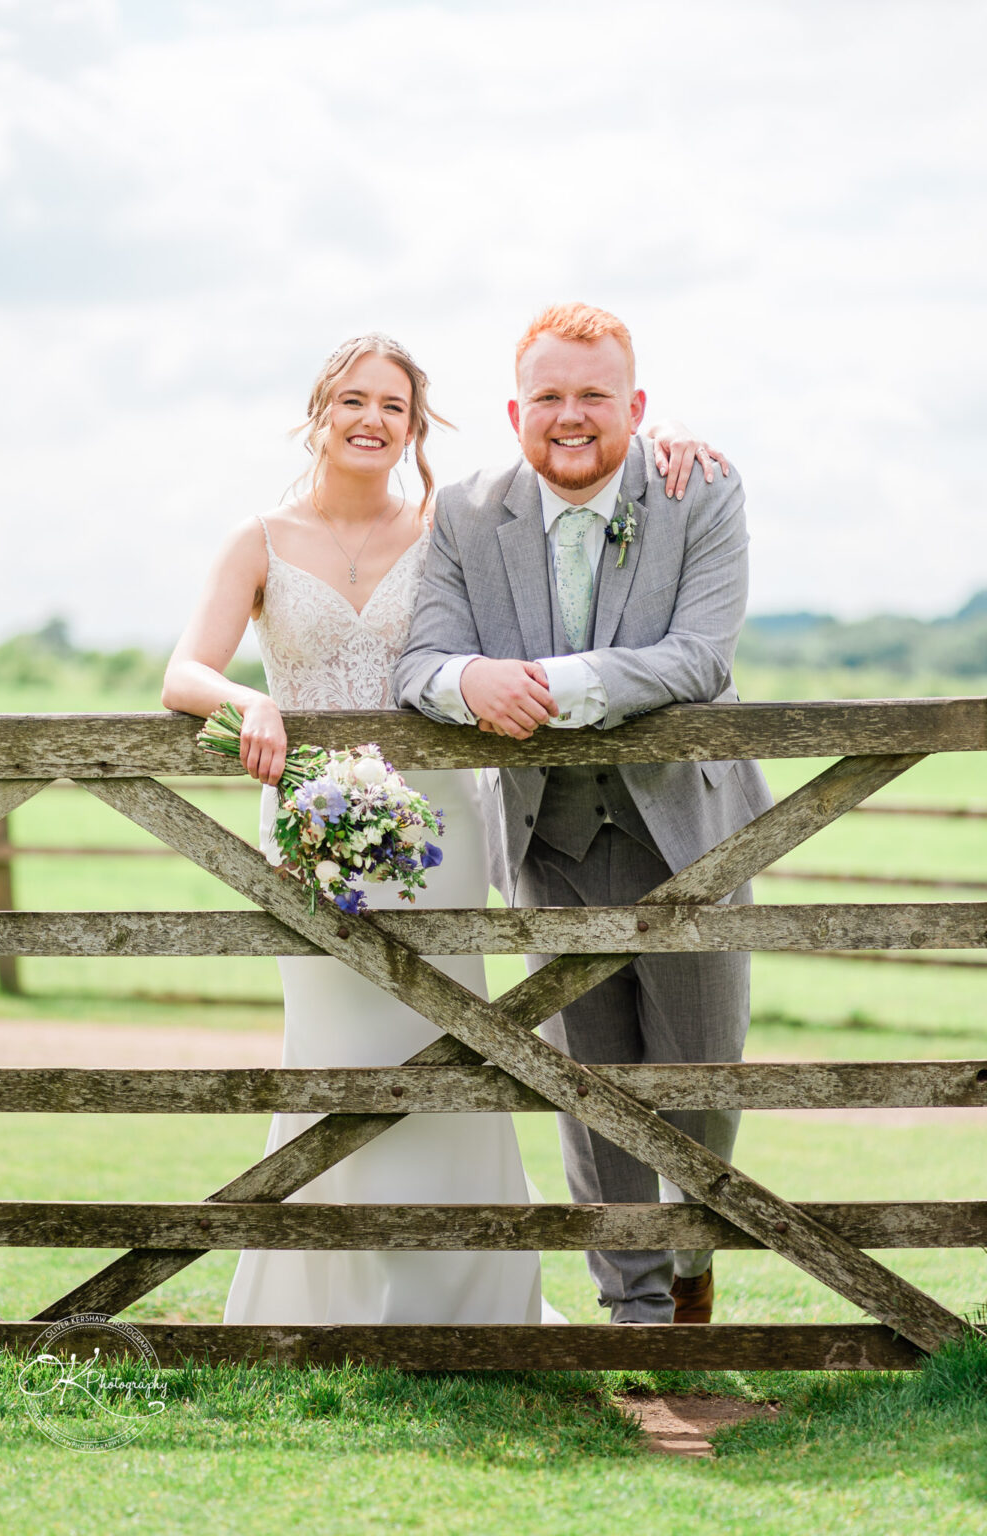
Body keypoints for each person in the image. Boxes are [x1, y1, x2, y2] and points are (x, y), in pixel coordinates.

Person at [162, 329, 726, 1326]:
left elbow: (568, 458)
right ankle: (322, 1294)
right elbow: (182, 675)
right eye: (352, 402)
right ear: (318, 415)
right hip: (311, 831)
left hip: (440, 832)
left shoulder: (450, 524)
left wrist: (665, 428)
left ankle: (465, 1298)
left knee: (453, 1044)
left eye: (393, 406)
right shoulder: (257, 540)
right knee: (332, 1050)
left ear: (417, 427)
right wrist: (244, 706)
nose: (371, 420)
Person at [394, 302, 774, 1327]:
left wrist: (547, 688)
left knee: (699, 1079)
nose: (571, 416)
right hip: (546, 841)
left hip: (692, 832)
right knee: (588, 1089)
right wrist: (468, 681)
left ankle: (693, 1249)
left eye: (593, 395)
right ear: (517, 409)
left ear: (636, 406)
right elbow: (420, 660)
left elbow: (700, 657)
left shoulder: (699, 489)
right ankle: (635, 1312)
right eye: (550, 396)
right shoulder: (467, 515)